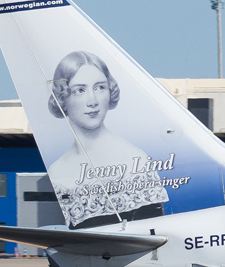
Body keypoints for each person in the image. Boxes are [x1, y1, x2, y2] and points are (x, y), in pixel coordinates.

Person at [45, 51, 168, 228]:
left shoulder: (134, 160)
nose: (92, 101)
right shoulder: (57, 170)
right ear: (62, 98)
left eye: (100, 87)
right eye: (80, 90)